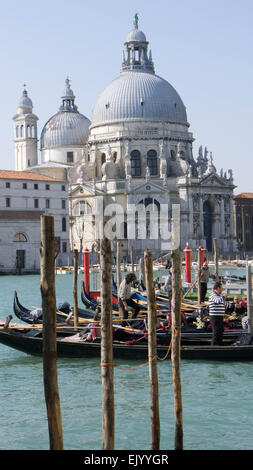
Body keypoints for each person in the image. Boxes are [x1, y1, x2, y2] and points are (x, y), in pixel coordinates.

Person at [209, 281, 229, 345]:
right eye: (221, 288)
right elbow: (218, 301)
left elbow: (224, 304)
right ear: (218, 288)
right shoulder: (213, 295)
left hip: (219, 317)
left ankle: (219, 345)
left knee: (220, 332)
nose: (222, 290)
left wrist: (234, 305)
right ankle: (213, 348)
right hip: (215, 317)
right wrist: (224, 297)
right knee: (216, 333)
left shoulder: (218, 296)